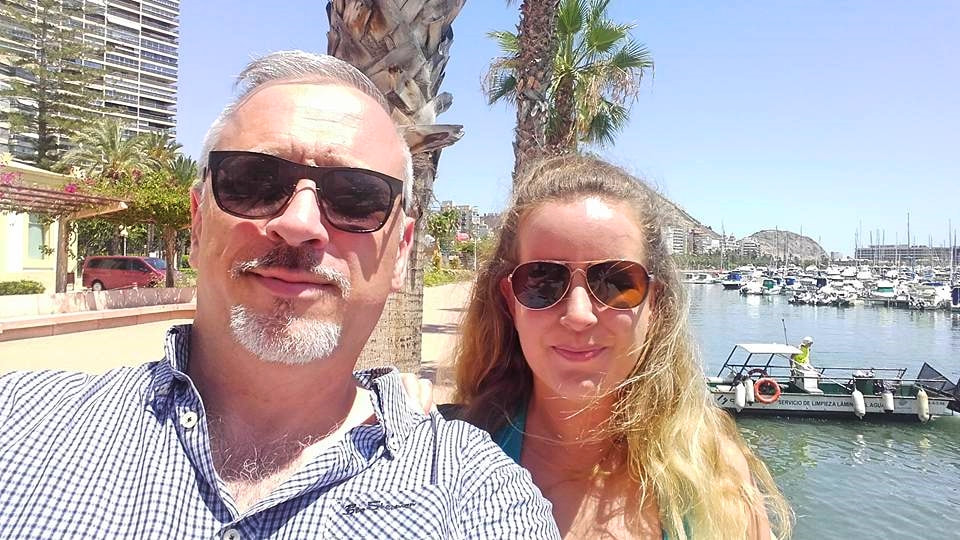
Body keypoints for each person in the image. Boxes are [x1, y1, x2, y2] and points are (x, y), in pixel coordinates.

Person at [0, 51, 559, 539]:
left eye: (356, 197)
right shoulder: (21, 427)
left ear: (401, 254)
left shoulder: (476, 497)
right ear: (198, 222)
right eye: (254, 182)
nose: (298, 224)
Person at [449, 155, 793, 539]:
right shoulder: (450, 463)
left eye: (615, 283)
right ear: (510, 301)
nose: (579, 315)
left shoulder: (713, 474)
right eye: (543, 281)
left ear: (655, 303)